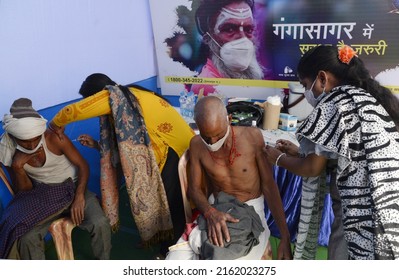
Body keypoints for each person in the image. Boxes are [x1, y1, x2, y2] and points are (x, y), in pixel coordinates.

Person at [264, 45, 399, 260]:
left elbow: (312, 169)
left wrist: (278, 159)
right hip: (388, 212)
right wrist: (300, 152)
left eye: (305, 85)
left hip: (359, 217)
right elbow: (348, 154)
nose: (307, 92)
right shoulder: (367, 99)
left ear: (322, 78)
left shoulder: (333, 104)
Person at [49, 73, 195, 258]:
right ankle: (161, 241)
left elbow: (72, 111)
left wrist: (55, 124)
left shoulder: (113, 96)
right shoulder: (128, 98)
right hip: (176, 149)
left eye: (92, 99)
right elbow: (128, 145)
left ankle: (169, 251)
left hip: (175, 153)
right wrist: (97, 146)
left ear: (97, 95)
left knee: (172, 208)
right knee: (163, 205)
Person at [166, 96, 292, 260]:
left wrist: (285, 235)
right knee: (174, 259)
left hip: (251, 208)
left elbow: (269, 186)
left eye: (218, 135)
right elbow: (195, 190)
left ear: (229, 119)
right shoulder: (197, 144)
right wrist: (210, 213)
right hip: (216, 208)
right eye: (206, 136)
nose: (212, 142)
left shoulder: (252, 137)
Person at [0, 98, 111, 259]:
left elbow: (83, 166)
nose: (31, 146)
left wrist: (80, 196)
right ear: (14, 137)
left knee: (99, 222)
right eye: (25, 141)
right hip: (43, 195)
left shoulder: (54, 138)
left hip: (73, 187)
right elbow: (24, 192)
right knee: (26, 238)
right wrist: (18, 169)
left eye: (35, 139)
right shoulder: (9, 150)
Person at [189, 0, 264, 95]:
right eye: (230, 29)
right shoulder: (207, 88)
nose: (243, 39)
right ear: (208, 38)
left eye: (248, 30)